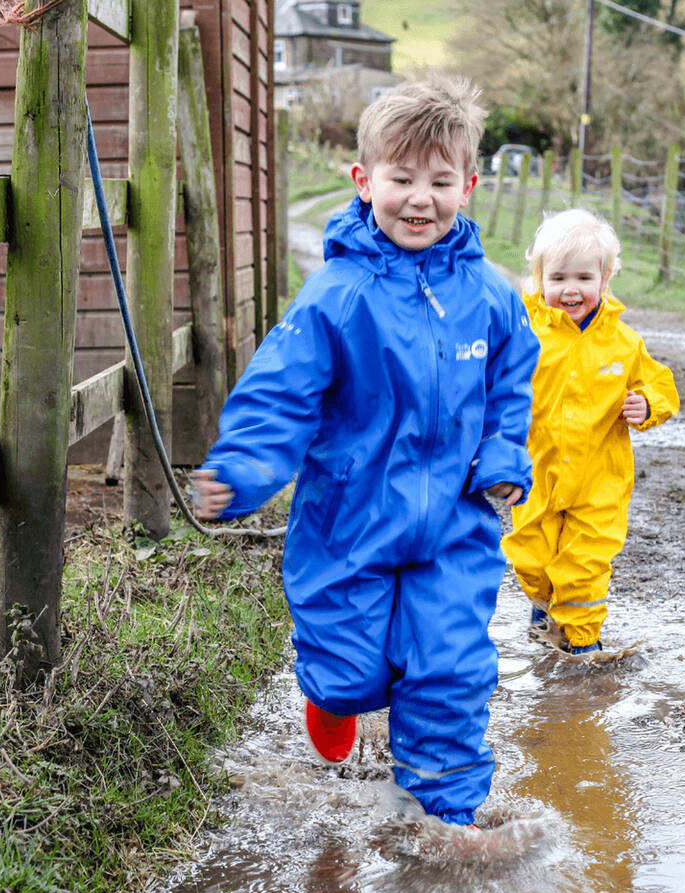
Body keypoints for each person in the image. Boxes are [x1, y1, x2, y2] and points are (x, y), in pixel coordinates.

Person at [191, 75, 540, 828]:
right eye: (402, 178)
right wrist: (242, 469)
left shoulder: (491, 295)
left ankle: (446, 815)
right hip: (350, 519)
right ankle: (332, 695)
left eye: (440, 182)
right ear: (363, 180)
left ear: (468, 187)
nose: (421, 199)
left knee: (448, 666)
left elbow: (513, 383)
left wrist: (505, 460)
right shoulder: (337, 295)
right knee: (352, 674)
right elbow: (280, 393)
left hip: (458, 522)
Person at [503, 208, 679, 654]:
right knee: (530, 556)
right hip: (536, 473)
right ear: (539, 279)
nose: (570, 289)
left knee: (584, 563)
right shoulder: (522, 333)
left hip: (600, 480)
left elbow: (660, 385)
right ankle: (544, 606)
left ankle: (582, 645)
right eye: (558, 277)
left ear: (604, 280)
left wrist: (648, 405)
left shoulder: (623, 342)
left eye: (584, 278)